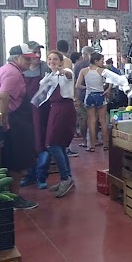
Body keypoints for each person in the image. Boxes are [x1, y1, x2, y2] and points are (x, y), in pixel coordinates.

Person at [0, 44, 39, 210]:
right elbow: (3, 96)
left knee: (8, 161)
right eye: (26, 58)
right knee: (16, 162)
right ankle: (14, 198)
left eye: (31, 58)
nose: (30, 62)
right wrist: (4, 120)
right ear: (16, 58)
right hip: (14, 122)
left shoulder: (3, 69)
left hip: (10, 120)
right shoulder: (13, 73)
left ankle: (8, 196)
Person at [38, 51, 77, 197]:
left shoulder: (65, 72)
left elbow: (68, 75)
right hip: (55, 109)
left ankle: (65, 178)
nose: (52, 61)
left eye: (55, 59)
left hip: (64, 109)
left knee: (52, 143)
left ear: (61, 62)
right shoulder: (50, 76)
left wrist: (62, 71)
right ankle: (68, 177)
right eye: (49, 59)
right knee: (58, 144)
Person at [20, 41, 51, 189]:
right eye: (35, 52)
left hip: (42, 111)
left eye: (39, 52)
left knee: (43, 143)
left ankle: (41, 175)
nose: (38, 55)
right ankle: (29, 174)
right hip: (25, 112)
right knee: (27, 143)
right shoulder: (21, 70)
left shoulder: (45, 67)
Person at [76, 53, 111, 152]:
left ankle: (92, 146)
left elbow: (77, 85)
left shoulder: (84, 71)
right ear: (96, 61)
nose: (103, 62)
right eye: (101, 60)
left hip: (89, 96)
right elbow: (112, 79)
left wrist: (86, 87)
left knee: (91, 121)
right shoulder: (102, 71)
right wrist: (108, 89)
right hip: (100, 95)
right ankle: (105, 144)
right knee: (103, 121)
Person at [73, 46, 93, 147]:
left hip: (81, 94)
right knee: (94, 117)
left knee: (83, 118)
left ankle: (84, 140)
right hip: (95, 94)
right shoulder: (96, 65)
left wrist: (75, 96)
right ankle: (95, 140)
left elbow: (74, 81)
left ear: (83, 55)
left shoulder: (78, 65)